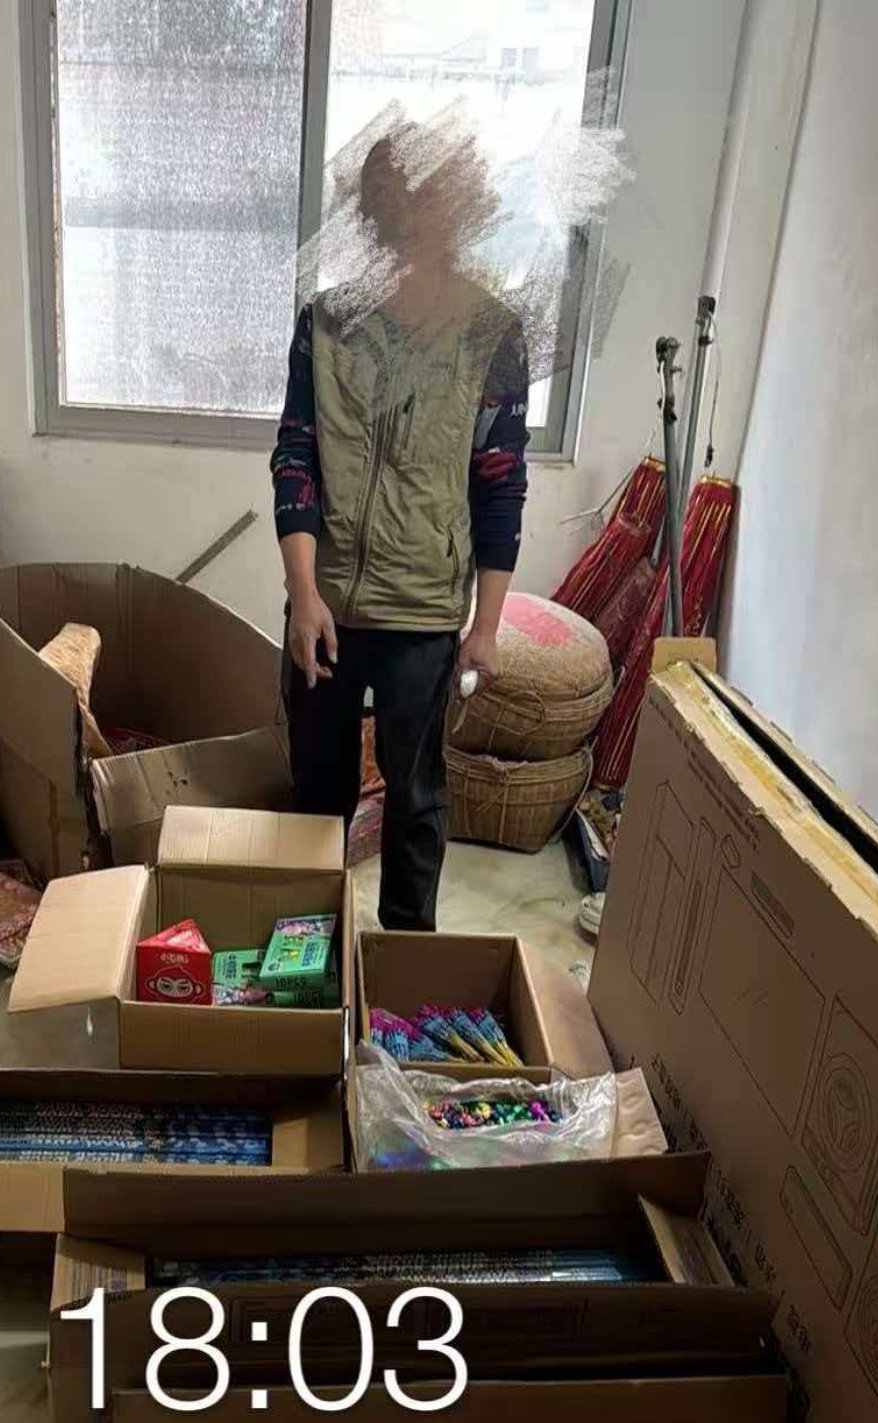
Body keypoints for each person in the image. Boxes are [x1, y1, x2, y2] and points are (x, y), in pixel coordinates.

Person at [271, 123, 529, 931]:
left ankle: (406, 954)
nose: (414, 222)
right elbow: (296, 454)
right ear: (376, 214)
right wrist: (302, 594)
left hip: (422, 613)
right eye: (397, 205)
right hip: (326, 608)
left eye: (433, 203)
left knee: (415, 800)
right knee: (318, 798)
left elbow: (498, 482)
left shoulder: (492, 334)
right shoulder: (326, 322)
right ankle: (310, 960)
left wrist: (485, 627)